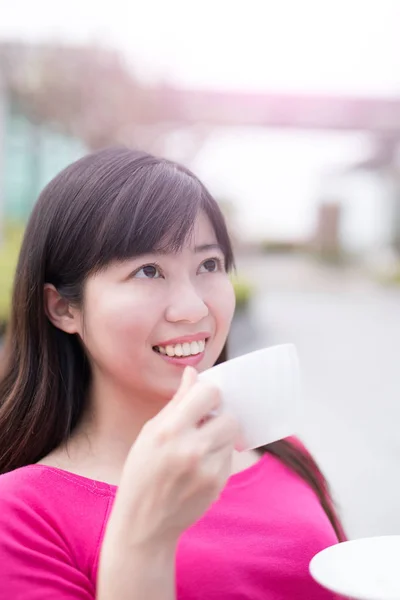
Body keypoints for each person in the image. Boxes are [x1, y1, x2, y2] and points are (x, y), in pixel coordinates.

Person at [0, 147, 345, 599]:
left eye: (209, 265)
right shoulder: (20, 516)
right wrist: (143, 542)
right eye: (148, 271)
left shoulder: (281, 451)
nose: (194, 309)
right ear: (63, 307)